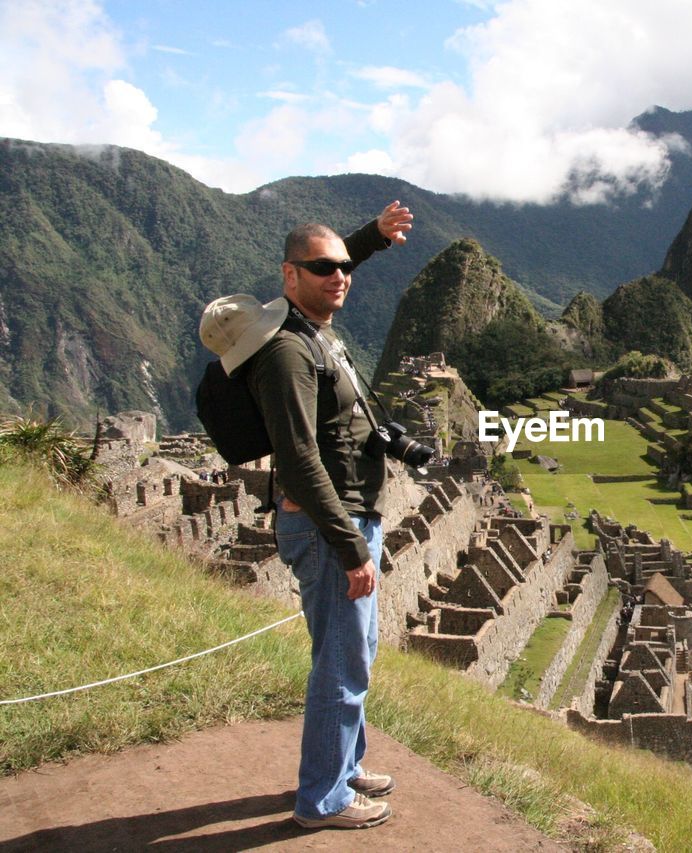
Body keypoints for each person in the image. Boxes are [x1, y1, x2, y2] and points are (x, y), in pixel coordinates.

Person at [202, 201, 412, 830]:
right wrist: (350, 548)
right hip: (329, 528)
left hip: (344, 520)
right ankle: (324, 799)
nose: (338, 275)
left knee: (354, 653)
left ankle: (343, 768)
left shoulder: (303, 321)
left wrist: (370, 238)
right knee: (342, 665)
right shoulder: (289, 353)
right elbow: (296, 458)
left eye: (342, 266)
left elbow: (330, 260)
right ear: (289, 276)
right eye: (323, 269)